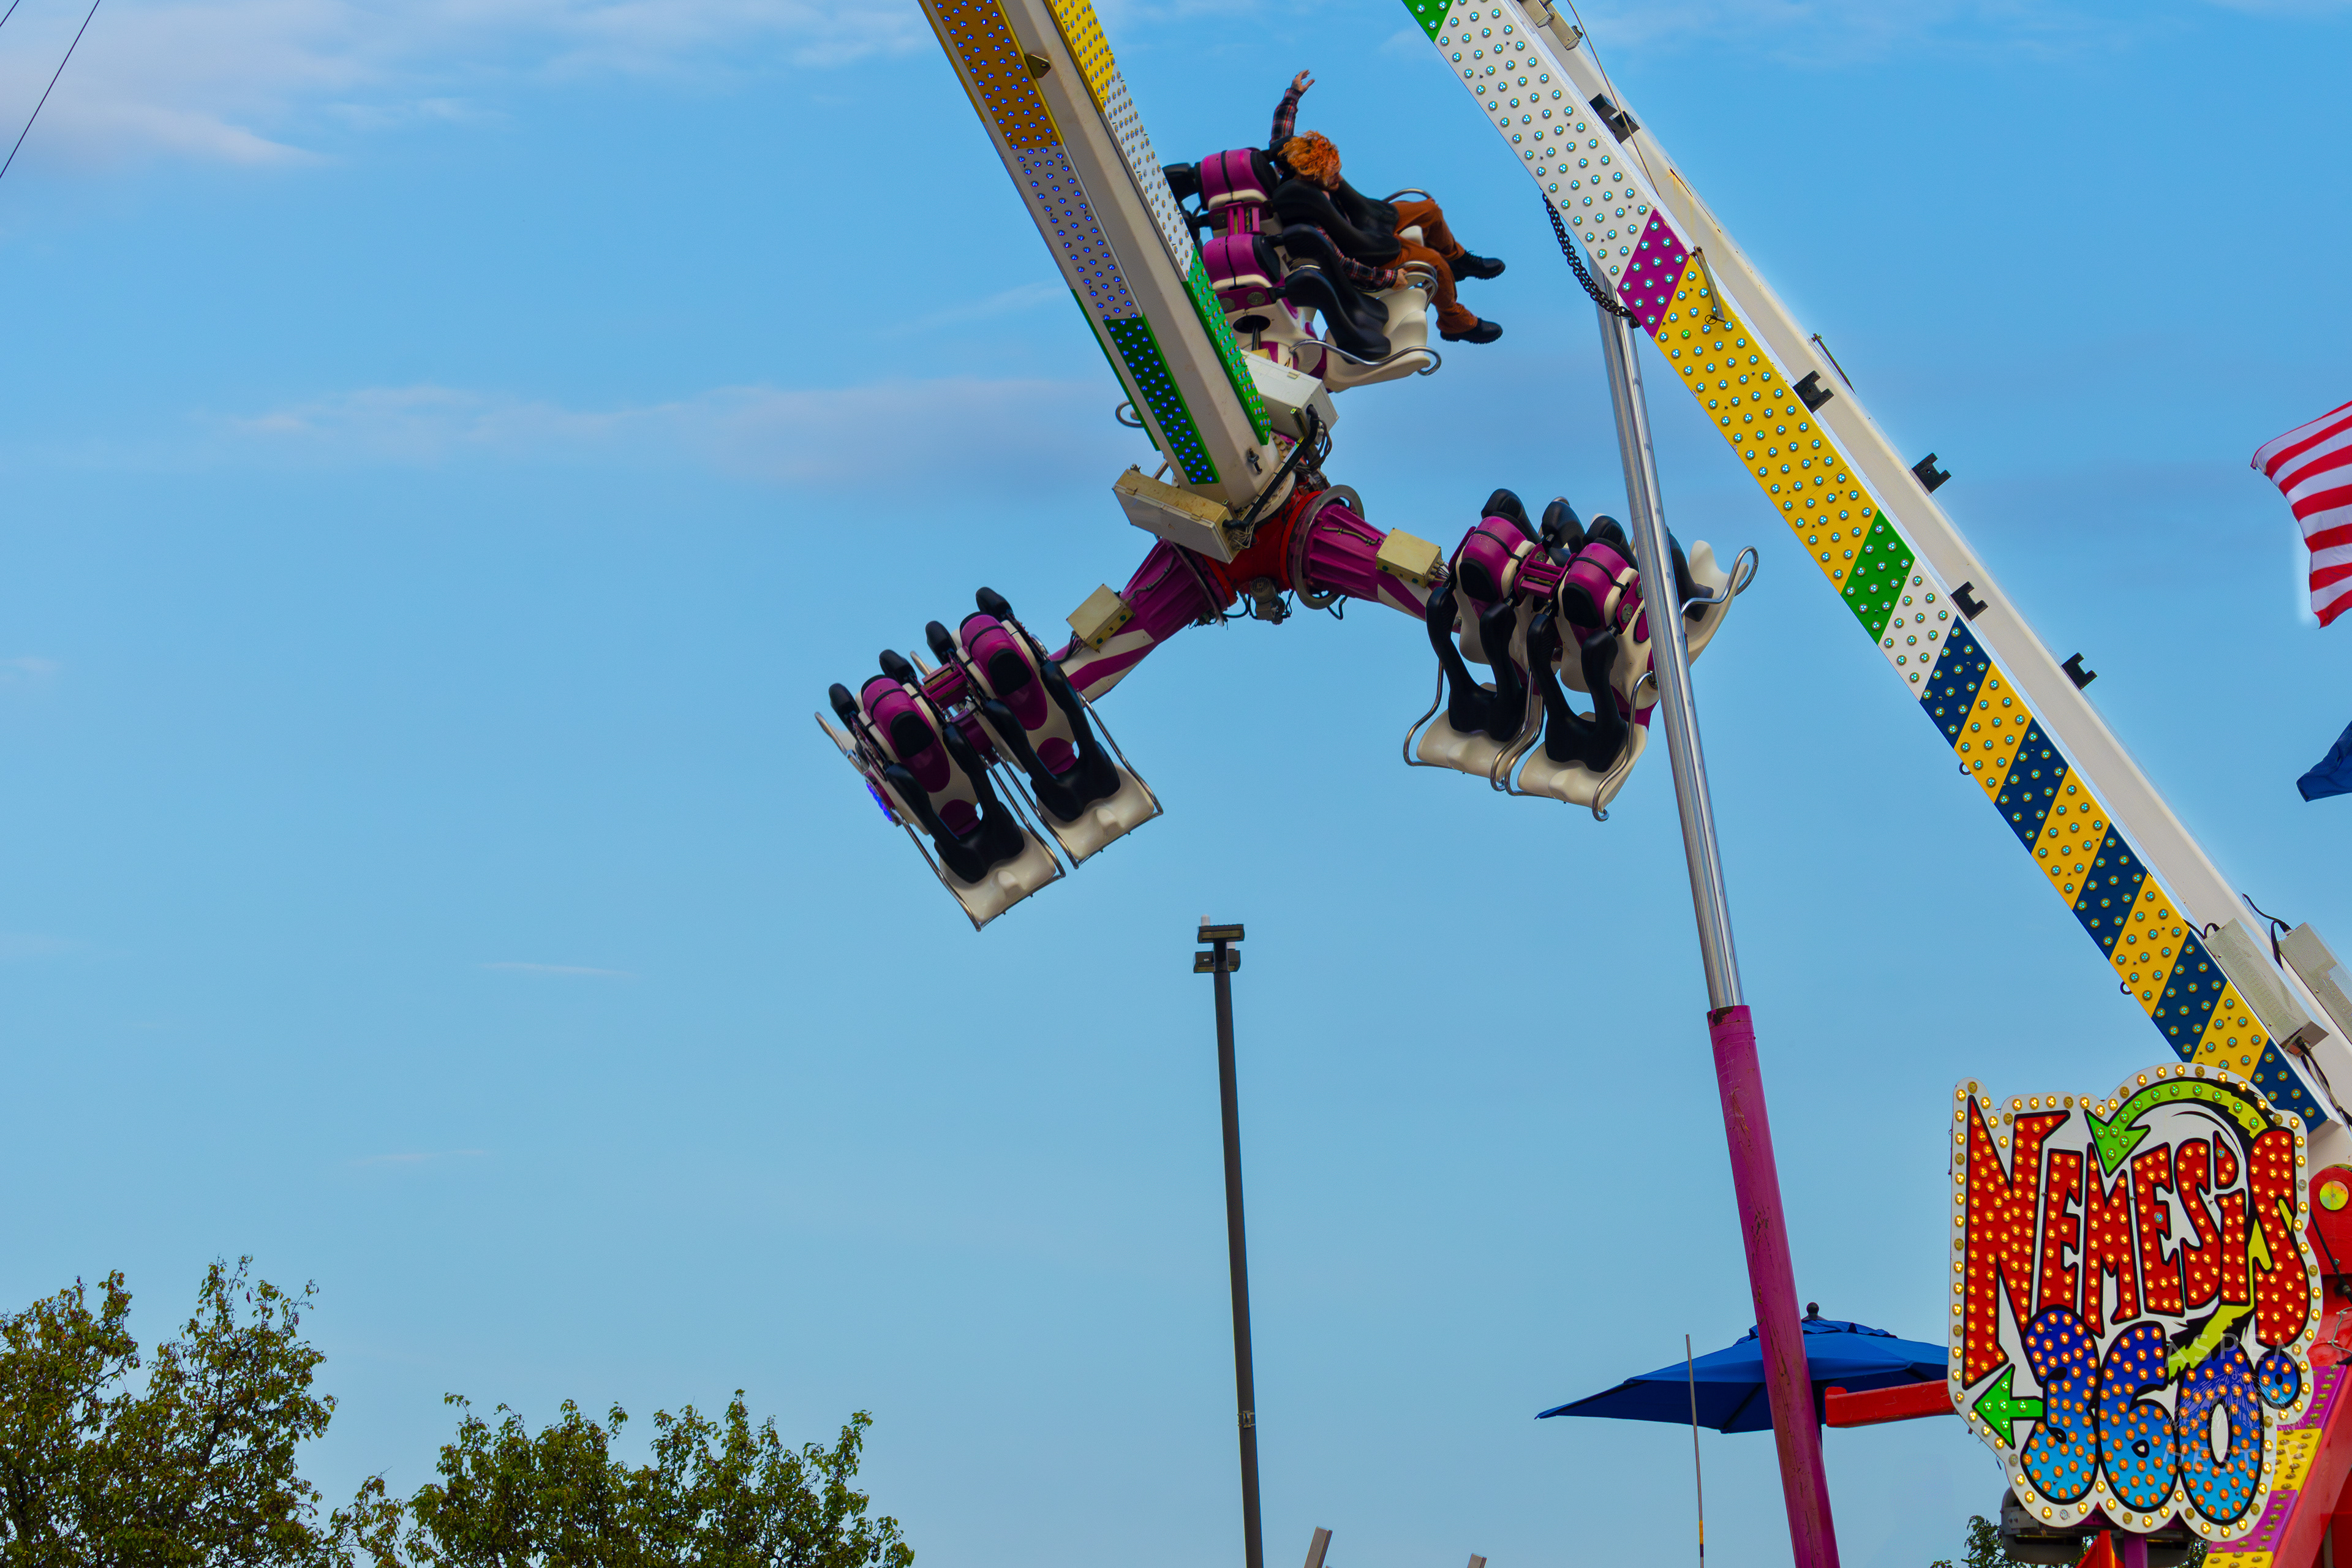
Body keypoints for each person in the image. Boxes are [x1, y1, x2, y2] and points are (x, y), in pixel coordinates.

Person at [1268, 70, 1504, 345]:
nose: (1339, 179)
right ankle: (1454, 321)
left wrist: (1293, 95)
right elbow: (1338, 261)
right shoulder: (1309, 216)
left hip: (1364, 223)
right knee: (1435, 264)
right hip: (1365, 251)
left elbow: (1281, 140)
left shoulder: (1294, 166)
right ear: (1311, 176)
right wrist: (1386, 279)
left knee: (1430, 210)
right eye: (1333, 177)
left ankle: (1459, 259)